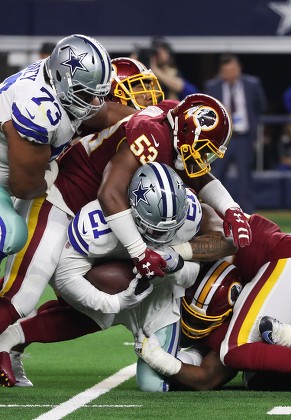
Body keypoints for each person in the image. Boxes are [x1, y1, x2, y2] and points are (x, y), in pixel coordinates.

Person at [0, 57, 164, 382]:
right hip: (55, 205)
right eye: (137, 92)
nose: (147, 101)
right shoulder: (80, 113)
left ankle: (13, 340)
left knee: (99, 311)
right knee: (23, 289)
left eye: (148, 93)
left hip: (91, 226)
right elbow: (28, 182)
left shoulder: (142, 124)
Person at [0, 162, 203, 389]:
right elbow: (66, 279)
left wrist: (176, 264)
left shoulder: (191, 215)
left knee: (154, 387)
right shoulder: (96, 224)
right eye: (155, 230)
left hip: (160, 295)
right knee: (101, 295)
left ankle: (202, 355)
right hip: (110, 283)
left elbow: (192, 274)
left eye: (170, 229)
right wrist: (114, 302)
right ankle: (13, 337)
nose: (162, 236)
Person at [0, 33, 135, 264]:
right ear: (62, 78)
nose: (93, 99)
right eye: (86, 92)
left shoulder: (57, 80)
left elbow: (105, 114)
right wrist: (50, 175)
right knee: (9, 233)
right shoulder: (38, 111)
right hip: (12, 183)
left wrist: (155, 120)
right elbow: (24, 187)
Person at [96, 91, 252, 282]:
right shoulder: (152, 136)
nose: (202, 158)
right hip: (87, 202)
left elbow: (197, 176)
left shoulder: (174, 125)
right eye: (202, 149)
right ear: (185, 131)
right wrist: (139, 252)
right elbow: (110, 193)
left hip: (122, 206)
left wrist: (230, 207)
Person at [134, 210, 291, 391]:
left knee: (236, 349)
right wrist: (158, 358)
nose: (195, 327)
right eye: (192, 319)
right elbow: (206, 377)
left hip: (281, 257)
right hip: (275, 275)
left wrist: (171, 253)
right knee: (259, 378)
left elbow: (227, 240)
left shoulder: (196, 219)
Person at [204, 54, 267, 214]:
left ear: (239, 69)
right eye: (226, 71)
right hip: (222, 139)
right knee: (216, 175)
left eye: (232, 69)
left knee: (245, 177)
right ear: (221, 72)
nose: (230, 73)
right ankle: (214, 211)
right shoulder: (212, 86)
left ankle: (248, 215)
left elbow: (261, 106)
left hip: (244, 137)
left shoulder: (252, 84)